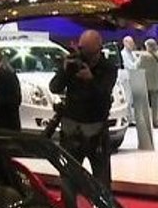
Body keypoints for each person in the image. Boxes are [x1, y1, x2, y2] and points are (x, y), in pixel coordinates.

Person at [48, 29, 118, 185]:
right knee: (68, 179)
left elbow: (104, 92)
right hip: (72, 129)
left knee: (101, 181)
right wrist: (64, 71)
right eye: (81, 50)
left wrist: (90, 80)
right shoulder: (74, 63)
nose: (84, 56)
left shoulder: (108, 68)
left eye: (88, 52)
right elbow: (54, 87)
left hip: (96, 130)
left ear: (98, 50)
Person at [140, 39, 158, 130]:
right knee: (155, 105)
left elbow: (138, 66)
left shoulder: (144, 56)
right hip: (156, 83)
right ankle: (155, 121)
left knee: (145, 104)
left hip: (146, 82)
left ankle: (145, 122)